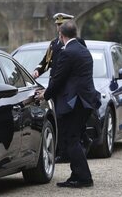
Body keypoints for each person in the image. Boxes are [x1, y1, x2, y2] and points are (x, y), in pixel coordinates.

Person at [35, 20, 101, 188]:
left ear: (61, 35)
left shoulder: (67, 52)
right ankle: (76, 174)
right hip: (85, 101)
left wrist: (45, 94)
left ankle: (84, 178)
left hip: (74, 103)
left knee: (70, 140)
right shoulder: (83, 50)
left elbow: (58, 78)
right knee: (75, 139)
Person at [32, 13, 92, 163]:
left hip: (67, 87)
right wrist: (38, 71)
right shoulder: (54, 44)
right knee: (59, 119)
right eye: (57, 25)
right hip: (57, 85)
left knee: (71, 122)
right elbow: (46, 62)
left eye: (61, 25)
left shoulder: (76, 43)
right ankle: (64, 151)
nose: (58, 28)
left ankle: (80, 143)